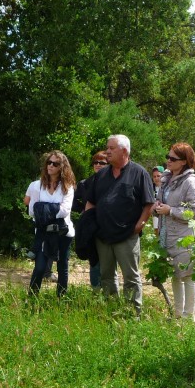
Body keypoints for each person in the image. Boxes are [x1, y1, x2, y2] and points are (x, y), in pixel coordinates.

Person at [85, 134, 155, 314]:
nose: (107, 152)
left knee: (131, 277)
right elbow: (90, 201)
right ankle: (111, 311)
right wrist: (89, 223)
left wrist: (138, 226)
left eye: (111, 148)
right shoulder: (101, 175)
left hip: (127, 236)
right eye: (107, 148)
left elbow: (149, 204)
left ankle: (133, 314)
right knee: (107, 276)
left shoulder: (139, 173)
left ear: (124, 151)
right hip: (103, 236)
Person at [152, 143, 195, 320]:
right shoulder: (166, 178)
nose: (168, 161)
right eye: (168, 157)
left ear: (184, 162)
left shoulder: (191, 182)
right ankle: (177, 315)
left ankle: (189, 317)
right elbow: (161, 201)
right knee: (175, 274)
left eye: (173, 158)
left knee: (188, 276)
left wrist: (171, 210)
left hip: (185, 237)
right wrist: (157, 207)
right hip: (168, 234)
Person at [27, 151, 76, 297]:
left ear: (62, 167)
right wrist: (52, 209)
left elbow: (65, 211)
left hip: (63, 232)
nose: (50, 166)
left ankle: (62, 299)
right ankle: (32, 298)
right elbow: (32, 211)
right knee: (40, 267)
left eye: (55, 163)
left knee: (62, 267)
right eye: (49, 162)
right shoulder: (36, 186)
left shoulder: (67, 187)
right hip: (43, 233)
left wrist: (44, 208)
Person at [72, 151, 108, 289]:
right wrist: (84, 210)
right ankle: (96, 290)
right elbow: (73, 200)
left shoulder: (114, 181)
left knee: (108, 260)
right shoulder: (85, 183)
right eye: (95, 162)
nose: (98, 165)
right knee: (94, 258)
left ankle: (108, 291)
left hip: (107, 224)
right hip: (91, 224)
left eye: (102, 163)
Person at [151, 166, 165, 231]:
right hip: (155, 217)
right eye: (154, 176)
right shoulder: (150, 189)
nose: (156, 178)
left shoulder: (168, 187)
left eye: (158, 176)